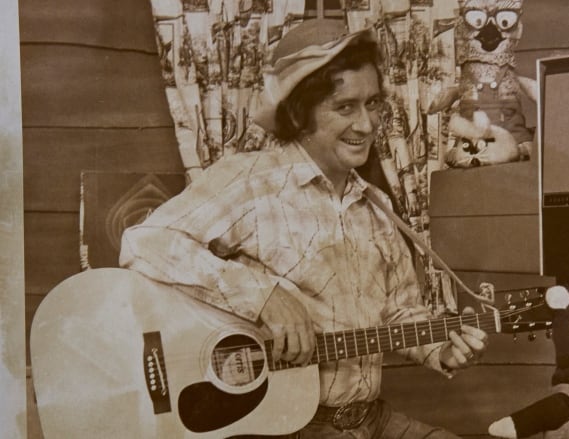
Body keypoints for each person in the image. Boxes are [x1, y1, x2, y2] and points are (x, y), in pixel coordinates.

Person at [119, 18, 489, 439]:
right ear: (301, 111)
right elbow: (145, 243)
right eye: (345, 107)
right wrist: (264, 296)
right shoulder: (250, 181)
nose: (366, 125)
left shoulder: (377, 205)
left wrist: (441, 346)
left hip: (371, 420)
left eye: (372, 104)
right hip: (285, 428)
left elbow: (398, 311)